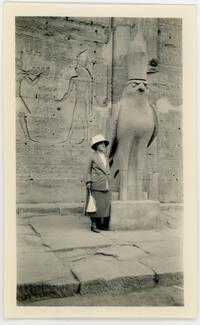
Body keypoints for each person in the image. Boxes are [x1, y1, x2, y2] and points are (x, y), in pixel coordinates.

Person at [85, 134, 111, 233]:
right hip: (96, 183)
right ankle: (93, 225)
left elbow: (107, 169)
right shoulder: (91, 156)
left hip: (106, 183)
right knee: (95, 204)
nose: (103, 144)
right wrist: (88, 181)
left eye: (104, 143)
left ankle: (101, 224)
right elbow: (87, 170)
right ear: (96, 145)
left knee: (104, 204)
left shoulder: (105, 156)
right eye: (100, 143)